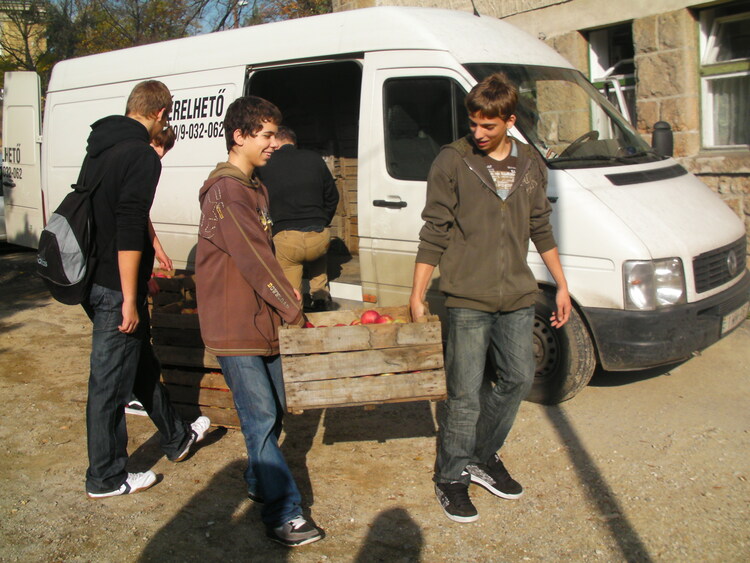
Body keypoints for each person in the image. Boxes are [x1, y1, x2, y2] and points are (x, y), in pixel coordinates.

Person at [409, 72, 571, 523]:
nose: (478, 133)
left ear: (510, 121)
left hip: (517, 295)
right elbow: (434, 230)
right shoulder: (453, 161)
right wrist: (417, 294)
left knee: (518, 378)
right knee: (464, 394)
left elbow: (540, 228)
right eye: (473, 123)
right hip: (467, 297)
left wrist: (562, 286)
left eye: (488, 125)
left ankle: (481, 455)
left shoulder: (530, 164)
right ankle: (450, 477)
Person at [195, 96, 323, 547]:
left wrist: (283, 298)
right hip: (234, 323)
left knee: (277, 406)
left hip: (259, 317)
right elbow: (252, 258)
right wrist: (292, 309)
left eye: (273, 134)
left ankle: (257, 478)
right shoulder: (228, 192)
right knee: (261, 414)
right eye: (266, 135)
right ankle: (284, 513)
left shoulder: (255, 188)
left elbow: (263, 254)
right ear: (240, 136)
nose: (273, 143)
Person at [82, 81, 210, 498]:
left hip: (92, 276)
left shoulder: (101, 146)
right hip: (113, 286)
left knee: (138, 362)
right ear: (160, 113)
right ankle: (105, 478)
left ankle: (176, 437)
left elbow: (114, 211)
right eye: (166, 116)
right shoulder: (140, 154)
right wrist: (129, 298)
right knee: (108, 384)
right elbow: (127, 227)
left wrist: (152, 247)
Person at [256, 126, 339, 311]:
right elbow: (333, 197)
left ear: (276, 142)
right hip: (319, 236)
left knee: (292, 293)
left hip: (287, 239)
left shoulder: (264, 164)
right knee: (318, 260)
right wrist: (322, 220)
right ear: (294, 142)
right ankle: (321, 299)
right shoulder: (315, 159)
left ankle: (295, 318)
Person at [125, 125, 177, 417]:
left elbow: (143, 216)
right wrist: (144, 276)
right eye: (157, 146)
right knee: (133, 337)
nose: (159, 154)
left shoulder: (141, 162)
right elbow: (130, 229)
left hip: (136, 266)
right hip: (125, 270)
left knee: (138, 336)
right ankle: (133, 395)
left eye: (163, 149)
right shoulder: (140, 164)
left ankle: (138, 393)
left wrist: (158, 249)